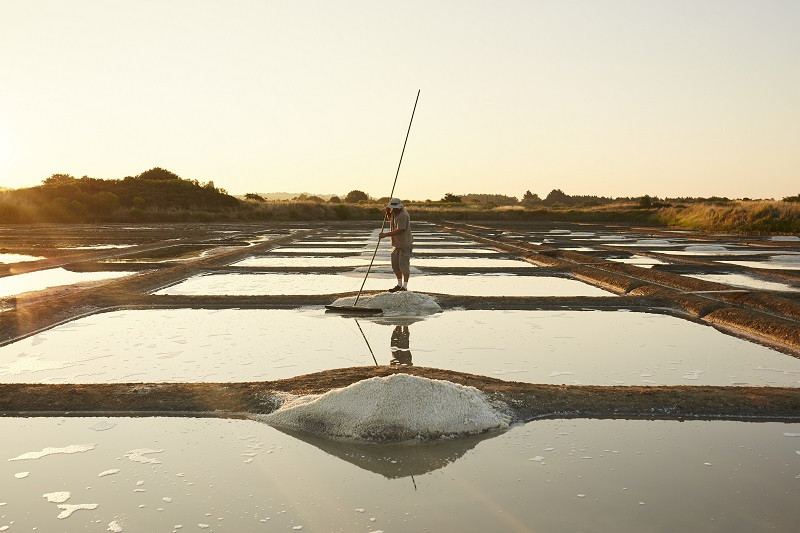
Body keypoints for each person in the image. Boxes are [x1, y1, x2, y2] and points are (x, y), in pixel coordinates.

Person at [378, 198, 413, 292]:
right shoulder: (393, 212)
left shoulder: (404, 215)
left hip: (404, 244)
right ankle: (399, 285)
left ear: (400, 206)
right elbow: (391, 220)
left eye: (395, 207)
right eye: (392, 207)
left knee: (404, 266)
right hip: (396, 245)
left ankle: (404, 287)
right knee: (395, 266)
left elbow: (400, 230)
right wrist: (388, 213)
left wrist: (385, 234)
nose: (394, 209)